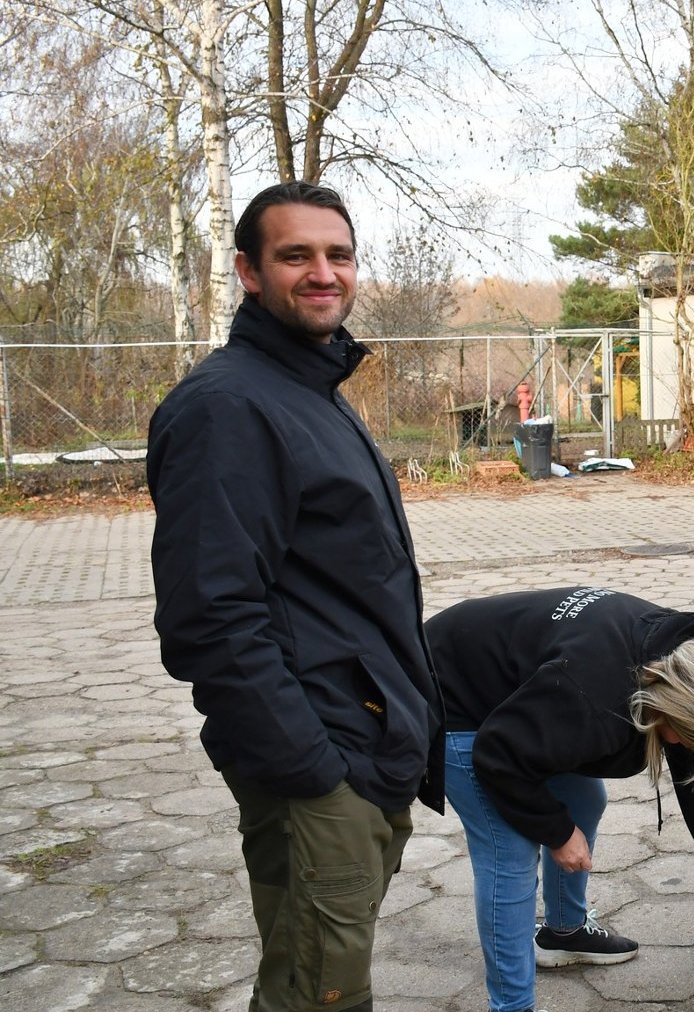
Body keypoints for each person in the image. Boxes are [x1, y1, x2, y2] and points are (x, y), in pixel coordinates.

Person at [147, 181, 441, 1011]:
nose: (323, 273)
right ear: (247, 270)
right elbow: (209, 619)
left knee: (308, 977)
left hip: (366, 742)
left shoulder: (311, 391)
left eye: (337, 254)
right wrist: (314, 771)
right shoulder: (229, 407)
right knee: (320, 994)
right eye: (295, 255)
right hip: (321, 759)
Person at [425, 586, 694, 1012]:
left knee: (585, 800)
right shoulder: (595, 697)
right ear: (660, 711)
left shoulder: (691, 665)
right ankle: (512, 1005)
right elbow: (499, 756)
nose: (688, 747)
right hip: (456, 697)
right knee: (508, 854)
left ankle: (564, 933)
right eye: (685, 737)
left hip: (522, 693)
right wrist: (559, 833)